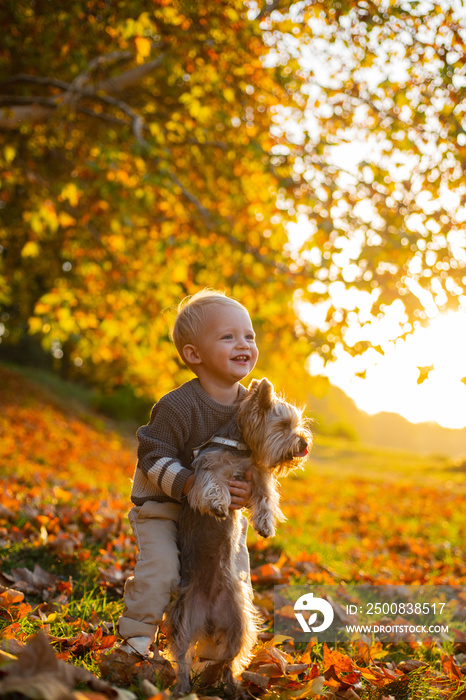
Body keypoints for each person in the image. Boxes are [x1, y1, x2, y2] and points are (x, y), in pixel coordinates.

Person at [117, 288, 259, 658]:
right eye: (228, 336)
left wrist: (249, 494)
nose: (242, 344)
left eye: (249, 336)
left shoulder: (251, 409)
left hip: (217, 518)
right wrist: (191, 483)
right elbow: (152, 454)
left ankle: (213, 655)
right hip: (165, 510)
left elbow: (260, 463)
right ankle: (135, 641)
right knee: (162, 572)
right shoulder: (178, 406)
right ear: (194, 354)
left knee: (230, 578)